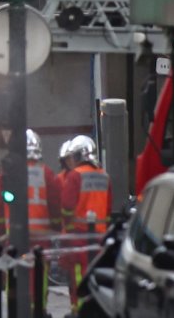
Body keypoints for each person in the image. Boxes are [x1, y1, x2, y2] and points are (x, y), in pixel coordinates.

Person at [61, 135, 111, 314]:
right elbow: (108, 208)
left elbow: (66, 206)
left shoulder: (75, 176)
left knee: (78, 275)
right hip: (100, 236)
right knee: (95, 275)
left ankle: (79, 310)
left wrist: (67, 225)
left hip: (79, 236)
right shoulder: (104, 175)